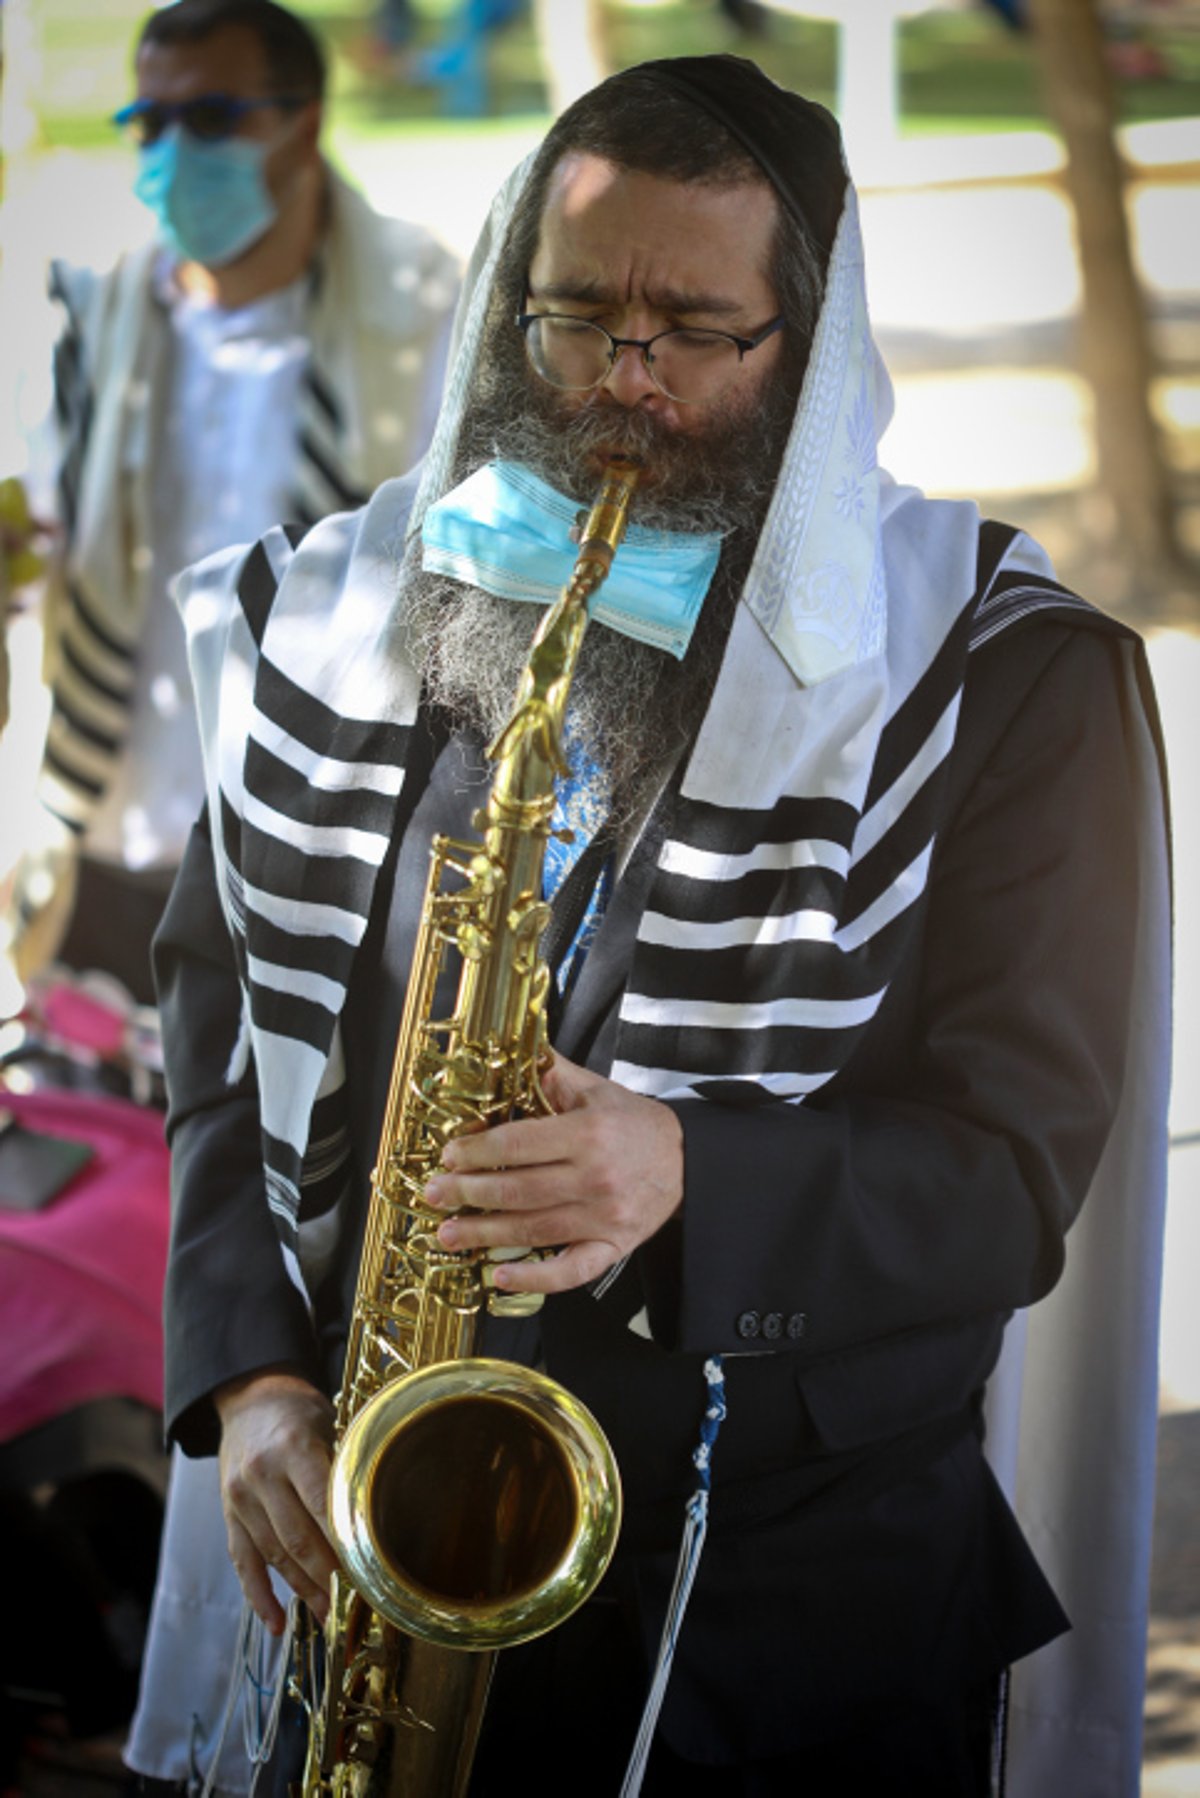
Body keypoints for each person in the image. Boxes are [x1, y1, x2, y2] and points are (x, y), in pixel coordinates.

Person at [154, 54, 1170, 1797]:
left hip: (787, 1626)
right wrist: (250, 1374)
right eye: (574, 319)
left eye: (697, 330)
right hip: (365, 1555)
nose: (625, 386)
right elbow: (220, 1017)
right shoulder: (336, 612)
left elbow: (1006, 1180)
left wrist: (689, 1175)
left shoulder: (1011, 678)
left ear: (814, 349)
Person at [7, 0, 458, 1008]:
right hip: (111, 842)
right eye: (149, 123)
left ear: (301, 122)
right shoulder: (83, 320)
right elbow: (34, 554)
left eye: (210, 118)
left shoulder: (422, 323)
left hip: (319, 865)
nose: (172, 151)